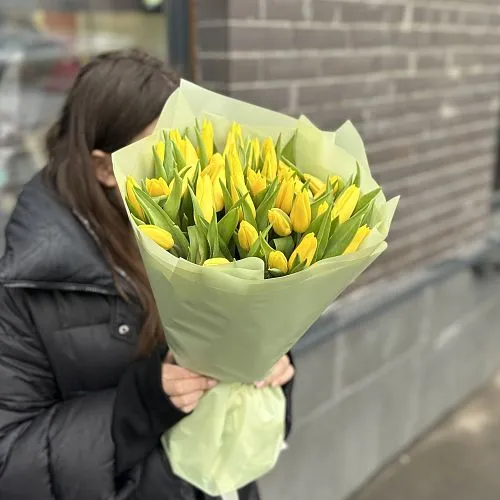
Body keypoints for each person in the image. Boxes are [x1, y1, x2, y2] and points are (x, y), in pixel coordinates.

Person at [0, 49, 294, 500]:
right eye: (164, 150)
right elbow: (12, 462)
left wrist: (272, 368)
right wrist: (137, 408)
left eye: (190, 144)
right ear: (104, 167)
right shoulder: (27, 286)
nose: (187, 169)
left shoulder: (206, 224)